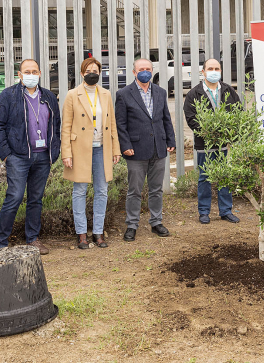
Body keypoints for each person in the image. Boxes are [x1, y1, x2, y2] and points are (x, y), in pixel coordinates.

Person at [0, 59, 61, 254]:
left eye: (34, 71)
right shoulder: (8, 96)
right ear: (19, 75)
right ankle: (0, 242)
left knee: (36, 199)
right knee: (14, 197)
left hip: (42, 157)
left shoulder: (48, 96)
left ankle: (33, 239)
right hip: (18, 157)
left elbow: (57, 125)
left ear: (40, 73)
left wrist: (54, 151)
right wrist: (6, 155)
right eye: (27, 71)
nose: (31, 74)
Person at [61, 57, 122, 248]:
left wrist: (116, 148)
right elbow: (66, 126)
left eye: (95, 70)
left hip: (102, 148)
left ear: (100, 72)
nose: (92, 74)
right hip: (80, 149)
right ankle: (81, 234)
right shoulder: (72, 95)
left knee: (102, 191)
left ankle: (98, 232)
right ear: (81, 74)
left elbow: (112, 123)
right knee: (79, 191)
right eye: (88, 71)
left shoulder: (106, 94)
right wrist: (66, 153)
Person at [115, 58, 176, 242]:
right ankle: (132, 225)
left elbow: (166, 118)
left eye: (148, 69)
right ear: (134, 72)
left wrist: (170, 139)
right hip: (135, 151)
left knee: (156, 189)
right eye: (141, 69)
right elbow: (120, 124)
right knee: (134, 190)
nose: (145, 72)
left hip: (159, 147)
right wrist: (125, 146)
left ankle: (156, 222)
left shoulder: (160, 92)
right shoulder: (124, 94)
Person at [183, 58, 242, 224]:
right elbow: (191, 118)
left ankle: (225, 211)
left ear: (221, 71)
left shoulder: (229, 90)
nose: (214, 71)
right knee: (204, 177)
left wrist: (231, 133)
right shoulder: (194, 94)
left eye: (217, 68)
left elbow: (238, 113)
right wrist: (207, 133)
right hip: (205, 144)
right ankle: (204, 212)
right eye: (210, 68)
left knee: (224, 176)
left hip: (224, 143)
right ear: (203, 72)